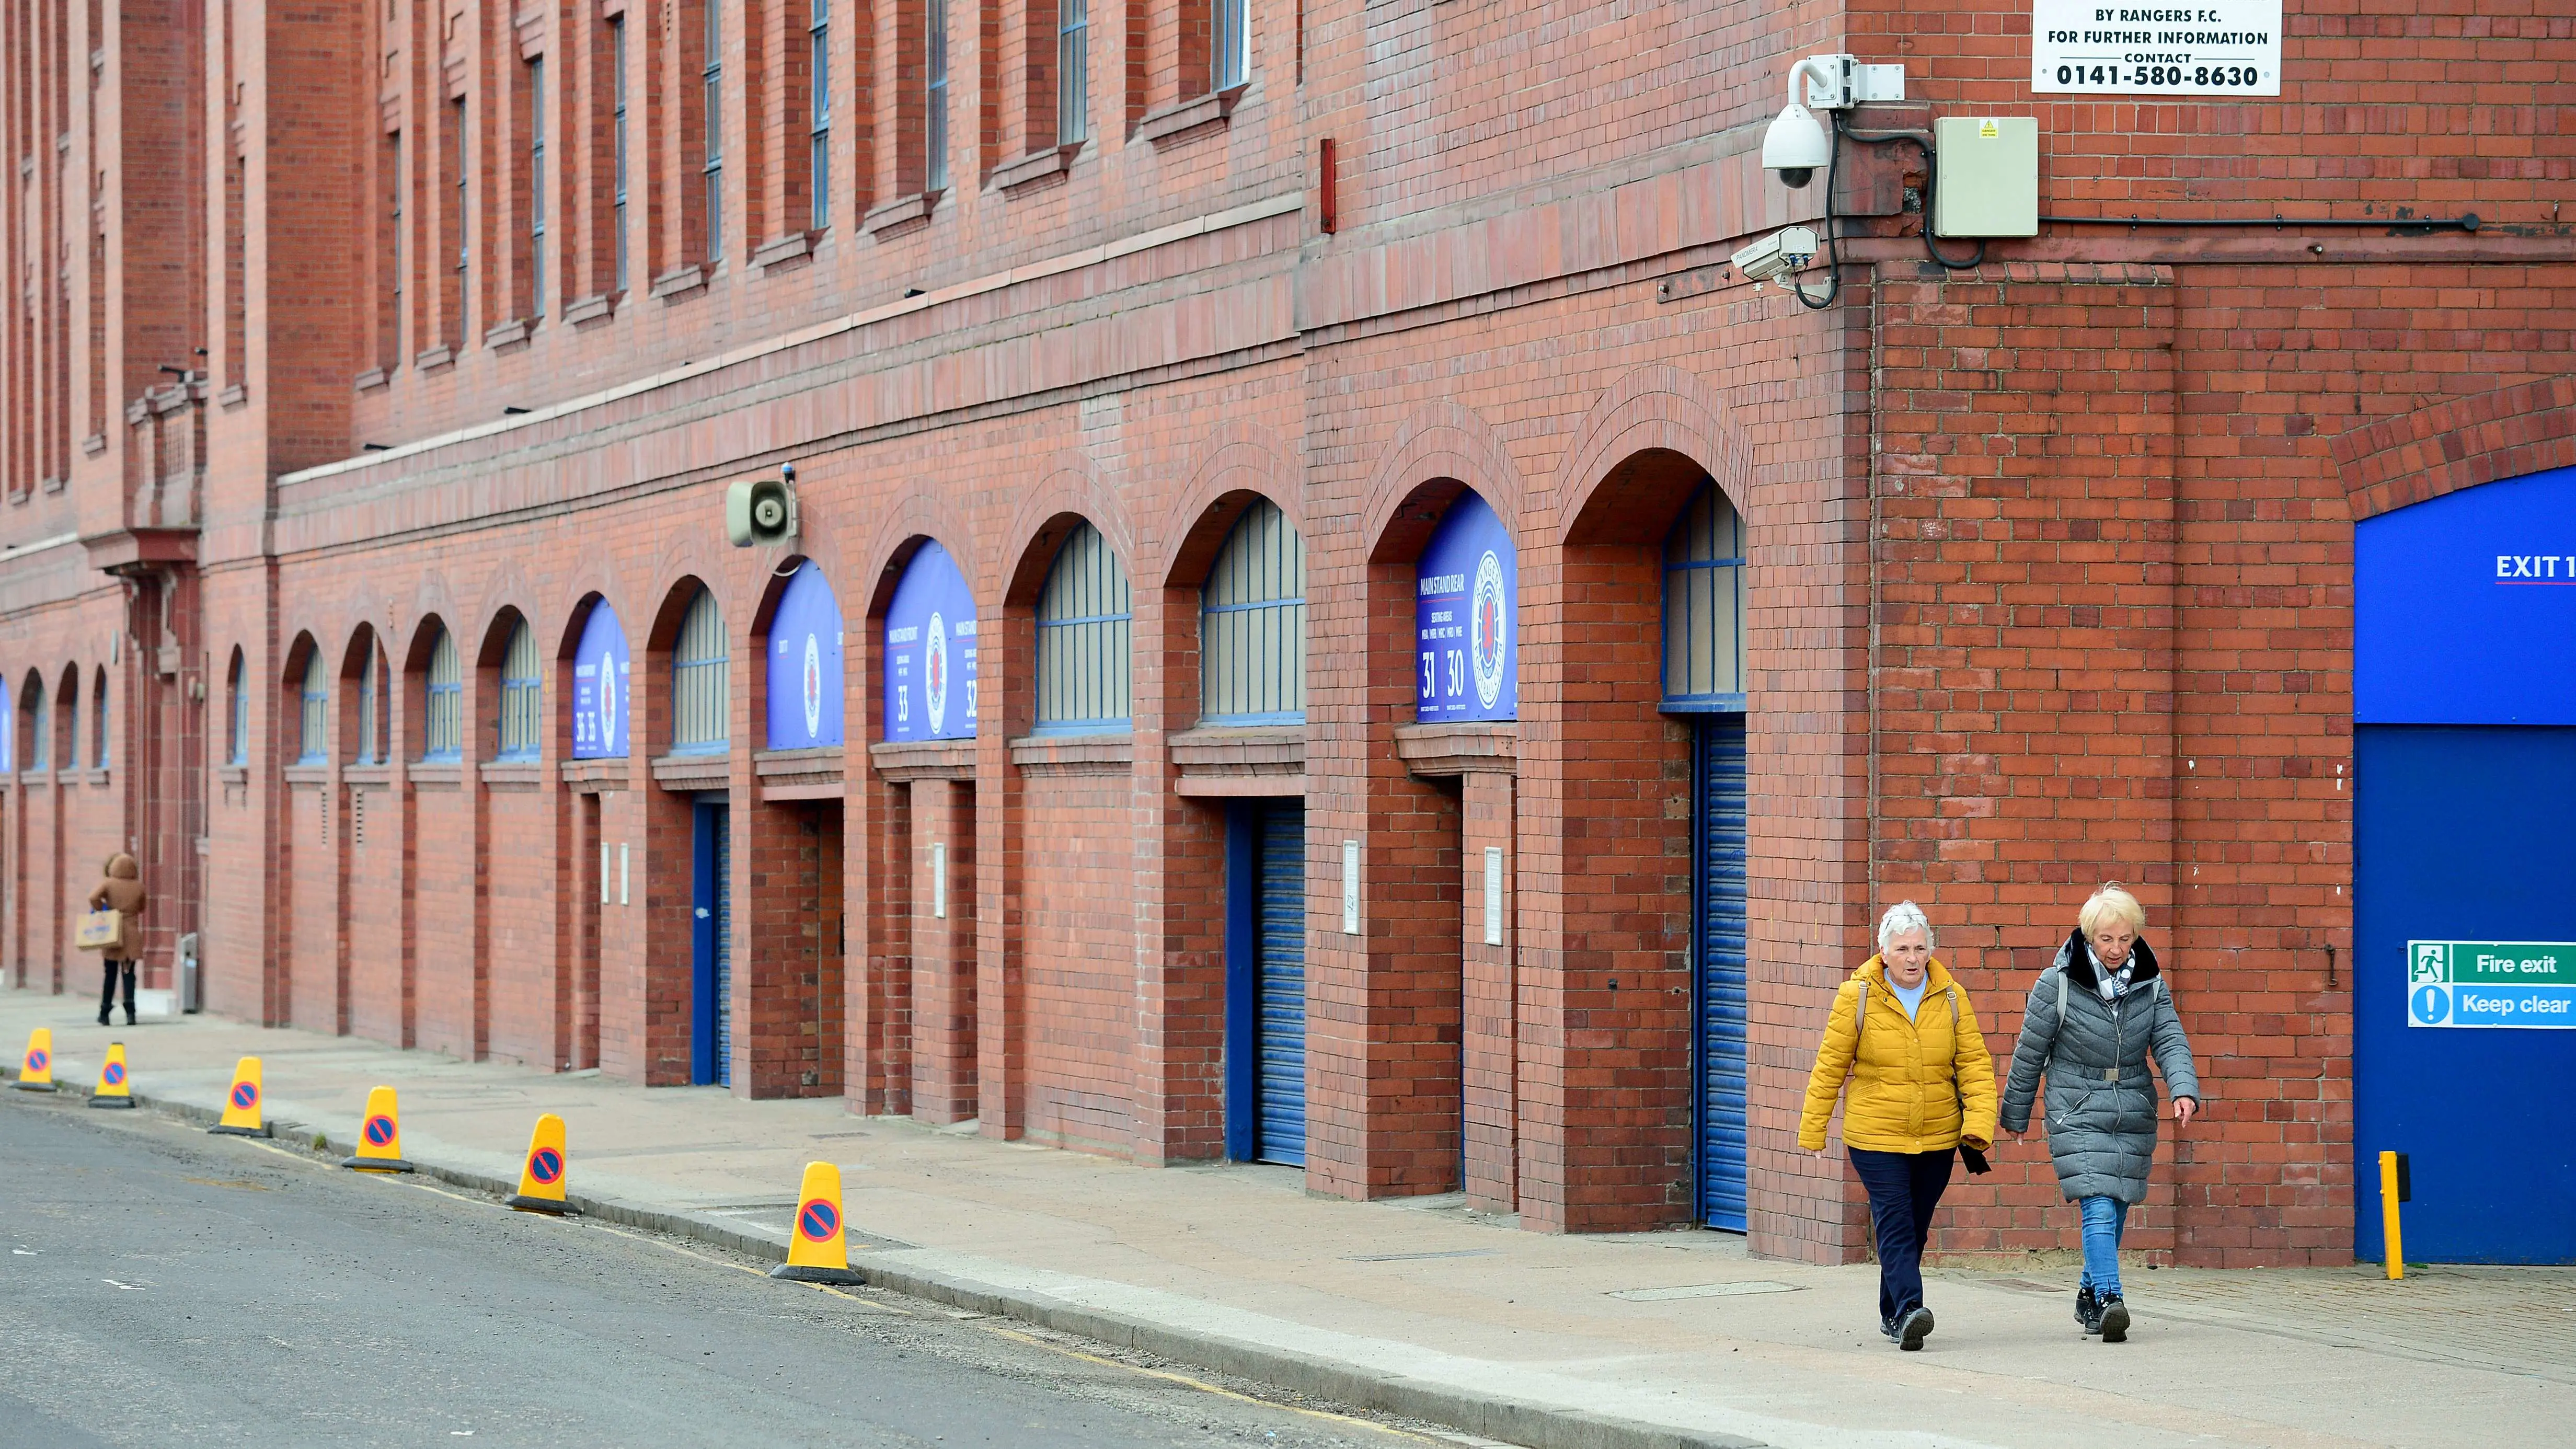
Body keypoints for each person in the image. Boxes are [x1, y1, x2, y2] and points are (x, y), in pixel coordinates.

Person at [1999, 883, 2200, 1345]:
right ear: (2089, 936)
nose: (2116, 948)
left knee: (2119, 1200)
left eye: (2125, 939)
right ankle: (2111, 1298)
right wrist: (2016, 1114)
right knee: (2098, 1202)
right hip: (2076, 1104)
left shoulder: (2150, 983)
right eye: (2107, 939)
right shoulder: (2057, 983)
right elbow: (2030, 1051)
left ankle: (2089, 1294)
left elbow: (2170, 1039)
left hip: (2132, 1103)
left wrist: (2183, 1089)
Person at [1799, 901, 1997, 1351]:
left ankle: (1892, 1315)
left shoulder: (1951, 996)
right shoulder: (1858, 996)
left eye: (1920, 949)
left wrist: (1978, 1124)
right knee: (1895, 1219)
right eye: (1903, 949)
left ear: (1931, 950)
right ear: (1883, 952)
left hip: (1937, 1134)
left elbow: (1975, 1066)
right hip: (1875, 1135)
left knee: (1916, 1225)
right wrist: (1814, 1128)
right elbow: (1830, 1066)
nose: (1912, 958)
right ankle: (1911, 1309)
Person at [89, 852, 146, 1028]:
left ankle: (105, 1013)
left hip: (112, 931)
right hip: (131, 932)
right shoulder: (139, 886)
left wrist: (103, 911)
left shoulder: (108, 883)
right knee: (129, 973)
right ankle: (131, 1013)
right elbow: (142, 907)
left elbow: (93, 897)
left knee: (110, 974)